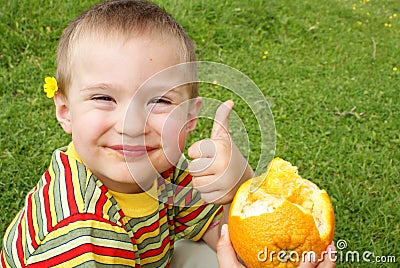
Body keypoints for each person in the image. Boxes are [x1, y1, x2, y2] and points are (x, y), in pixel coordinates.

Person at [1, 1, 334, 267]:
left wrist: (237, 186)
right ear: (65, 112)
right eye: (104, 98)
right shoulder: (78, 236)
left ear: (190, 117)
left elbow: (228, 234)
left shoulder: (166, 168)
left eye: (159, 101)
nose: (131, 125)